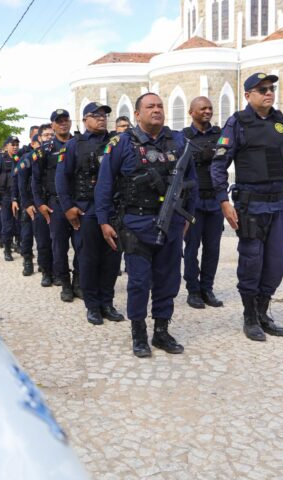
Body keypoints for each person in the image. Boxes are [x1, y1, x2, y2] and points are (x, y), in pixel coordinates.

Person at [95, 92, 198, 357]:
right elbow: (105, 184)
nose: (157, 110)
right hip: (136, 224)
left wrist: (188, 216)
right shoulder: (121, 143)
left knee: (168, 280)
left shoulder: (179, 141)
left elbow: (192, 183)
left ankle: (161, 331)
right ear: (137, 114)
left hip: (172, 222)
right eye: (150, 106)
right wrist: (104, 221)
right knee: (139, 282)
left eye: (160, 106)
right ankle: (139, 333)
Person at [212, 72, 283, 342]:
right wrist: (224, 201)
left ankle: (263, 312)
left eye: (271, 88)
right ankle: (249, 316)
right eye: (262, 89)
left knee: (276, 263)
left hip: (280, 204)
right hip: (252, 206)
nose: (269, 93)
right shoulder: (237, 122)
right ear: (248, 95)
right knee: (251, 262)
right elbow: (218, 165)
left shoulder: (280, 121)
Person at [57, 102, 124, 325]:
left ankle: (107, 303)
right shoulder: (74, 145)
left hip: (113, 210)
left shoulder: (117, 142)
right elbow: (62, 178)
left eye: (104, 115)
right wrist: (68, 207)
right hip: (87, 210)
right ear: (85, 120)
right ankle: (93, 306)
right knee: (88, 260)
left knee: (112, 260)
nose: (101, 118)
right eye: (96, 115)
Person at [32, 109, 81, 301]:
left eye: (65, 120)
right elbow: (35, 180)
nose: (63, 124)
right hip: (55, 204)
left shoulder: (79, 144)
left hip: (78, 202)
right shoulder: (44, 150)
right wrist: (40, 204)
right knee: (59, 247)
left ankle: (78, 282)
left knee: (81, 245)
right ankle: (65, 284)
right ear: (52, 125)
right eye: (58, 121)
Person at [181, 97, 225, 309]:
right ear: (191, 112)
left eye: (210, 108)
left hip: (215, 201)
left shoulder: (220, 135)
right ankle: (193, 290)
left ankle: (207, 288)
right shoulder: (183, 137)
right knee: (192, 248)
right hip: (193, 202)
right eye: (203, 108)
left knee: (212, 249)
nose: (207, 111)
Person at [28, 124, 56, 286]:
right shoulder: (36, 156)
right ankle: (46, 272)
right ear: (39, 138)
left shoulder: (62, 152)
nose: (49, 138)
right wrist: (34, 204)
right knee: (43, 241)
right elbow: (32, 182)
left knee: (58, 243)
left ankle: (58, 272)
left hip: (57, 202)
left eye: (51, 135)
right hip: (41, 203)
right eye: (46, 135)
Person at [0, 136, 20, 261]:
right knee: (7, 224)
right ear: (7, 146)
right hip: (5, 196)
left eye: (17, 144)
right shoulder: (0, 160)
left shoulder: (19, 159)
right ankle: (7, 249)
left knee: (19, 223)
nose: (15, 147)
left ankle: (18, 244)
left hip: (18, 196)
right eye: (13, 144)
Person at [13, 133, 40, 276]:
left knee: (44, 237)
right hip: (28, 202)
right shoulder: (26, 158)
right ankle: (28, 261)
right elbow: (19, 182)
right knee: (27, 234)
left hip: (44, 201)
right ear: (33, 143)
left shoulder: (49, 156)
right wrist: (22, 202)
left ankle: (44, 263)